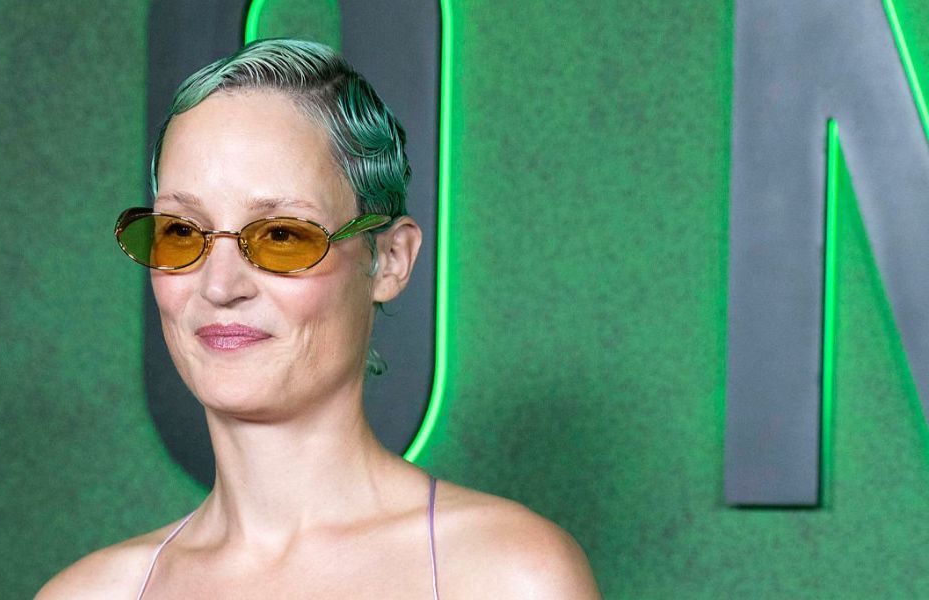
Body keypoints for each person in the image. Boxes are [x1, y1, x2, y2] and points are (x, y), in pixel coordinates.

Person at [37, 38, 600, 599]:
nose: (220, 286)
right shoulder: (89, 594)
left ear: (390, 260)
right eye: (182, 232)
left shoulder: (508, 576)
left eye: (282, 235)